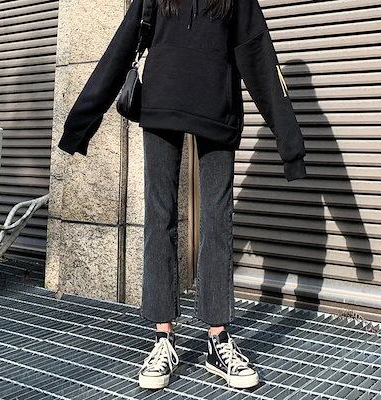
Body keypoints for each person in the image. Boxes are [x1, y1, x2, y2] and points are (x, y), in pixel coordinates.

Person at [57, 0, 307, 391]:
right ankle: (163, 338)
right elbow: (121, 48)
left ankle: (218, 340)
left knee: (217, 222)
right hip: (160, 109)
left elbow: (259, 57)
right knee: (159, 219)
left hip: (219, 115)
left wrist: (290, 146)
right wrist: (80, 125)